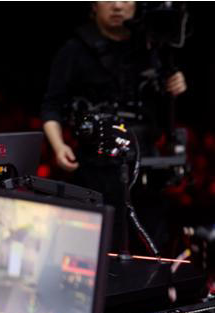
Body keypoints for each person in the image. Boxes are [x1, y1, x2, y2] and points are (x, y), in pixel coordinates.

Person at [41, 1, 187, 250]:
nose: (118, 6)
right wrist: (59, 146)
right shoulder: (75, 50)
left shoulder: (150, 47)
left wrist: (175, 85)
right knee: (94, 248)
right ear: (93, 5)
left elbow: (163, 108)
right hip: (95, 169)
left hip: (145, 168)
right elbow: (51, 106)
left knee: (150, 245)